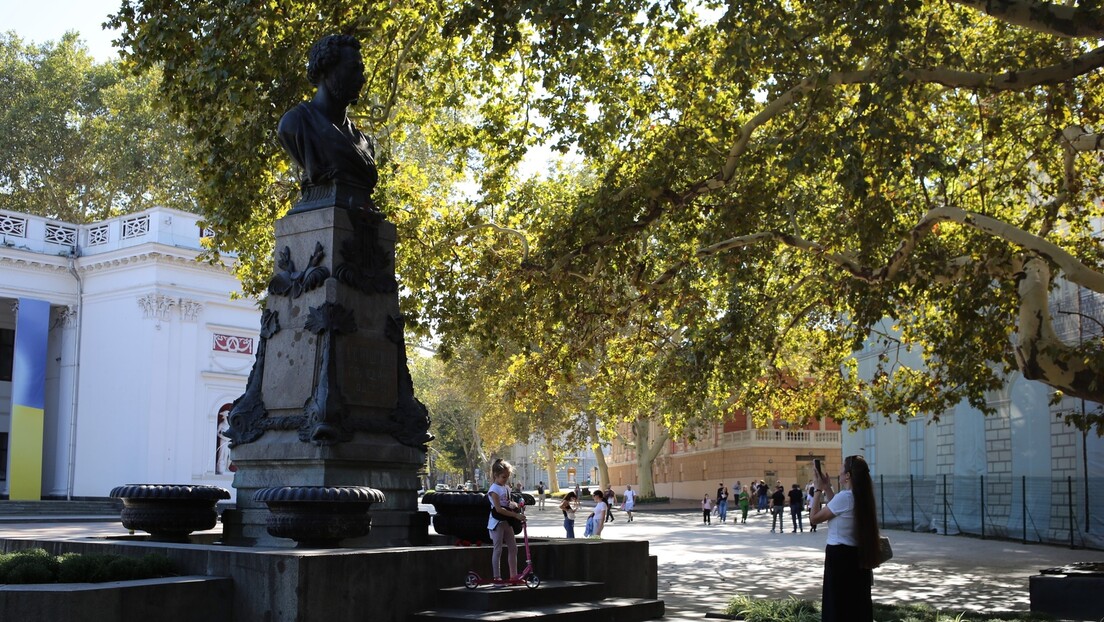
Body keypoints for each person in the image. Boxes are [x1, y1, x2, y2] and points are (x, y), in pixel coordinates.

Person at [277, 35, 379, 213]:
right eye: (352, 69)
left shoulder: (365, 143)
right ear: (326, 71)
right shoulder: (295, 124)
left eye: (361, 71)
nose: (362, 79)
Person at [810, 455, 881, 622]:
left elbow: (814, 518)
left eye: (842, 468)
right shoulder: (859, 497)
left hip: (839, 557)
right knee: (854, 605)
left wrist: (818, 490)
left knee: (837, 605)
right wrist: (828, 487)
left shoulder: (845, 497)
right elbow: (838, 507)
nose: (839, 471)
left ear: (848, 475)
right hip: (856, 556)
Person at [487, 458, 526, 585]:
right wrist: (515, 515)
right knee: (497, 549)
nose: (506, 479)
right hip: (497, 522)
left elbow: (507, 502)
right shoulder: (494, 490)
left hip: (506, 521)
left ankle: (513, 575)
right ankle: (496, 577)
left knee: (513, 548)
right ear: (495, 476)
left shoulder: (506, 487)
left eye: (507, 477)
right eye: (504, 477)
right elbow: (498, 509)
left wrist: (516, 505)